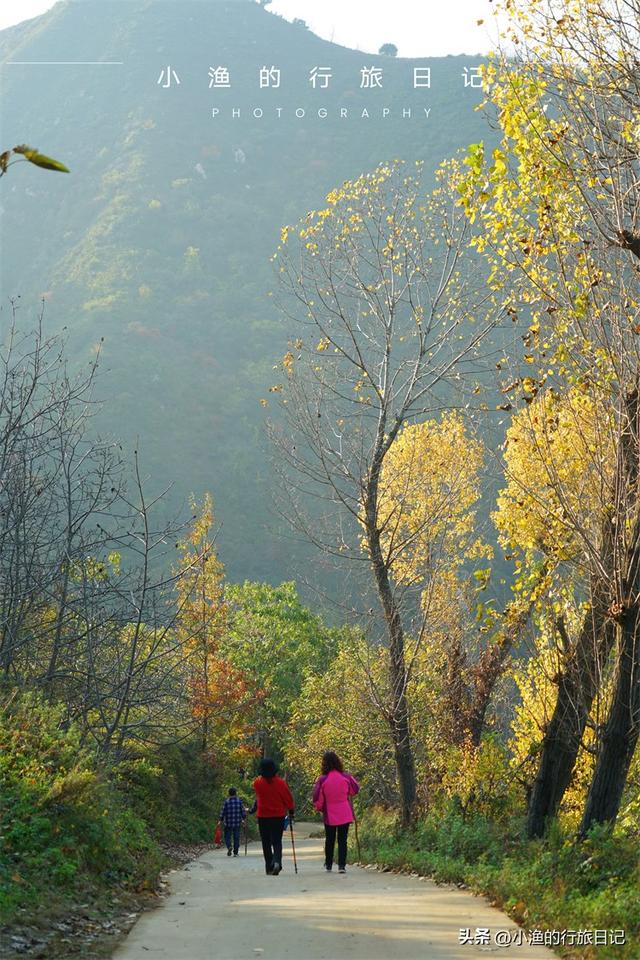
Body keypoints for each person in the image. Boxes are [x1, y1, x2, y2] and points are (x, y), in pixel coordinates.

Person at [312, 751, 359, 874]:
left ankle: (328, 864)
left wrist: (319, 807)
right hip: (344, 811)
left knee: (330, 839)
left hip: (330, 813)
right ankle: (342, 866)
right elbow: (355, 789)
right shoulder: (346, 777)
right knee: (342, 840)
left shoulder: (322, 779)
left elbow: (317, 796)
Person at [251, 758, 294, 875]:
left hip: (263, 816)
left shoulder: (257, 783)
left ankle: (269, 867)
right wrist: (291, 811)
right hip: (278, 816)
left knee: (265, 842)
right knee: (276, 841)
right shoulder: (281, 783)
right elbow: (288, 799)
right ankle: (277, 862)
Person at [218, 787, 246, 857]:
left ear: (229, 793)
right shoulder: (239, 801)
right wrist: (243, 819)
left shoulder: (226, 802)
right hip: (237, 822)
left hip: (228, 823)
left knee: (227, 836)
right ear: (235, 793)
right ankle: (236, 852)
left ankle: (229, 846)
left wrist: (220, 820)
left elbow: (222, 812)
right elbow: (243, 812)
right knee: (236, 837)